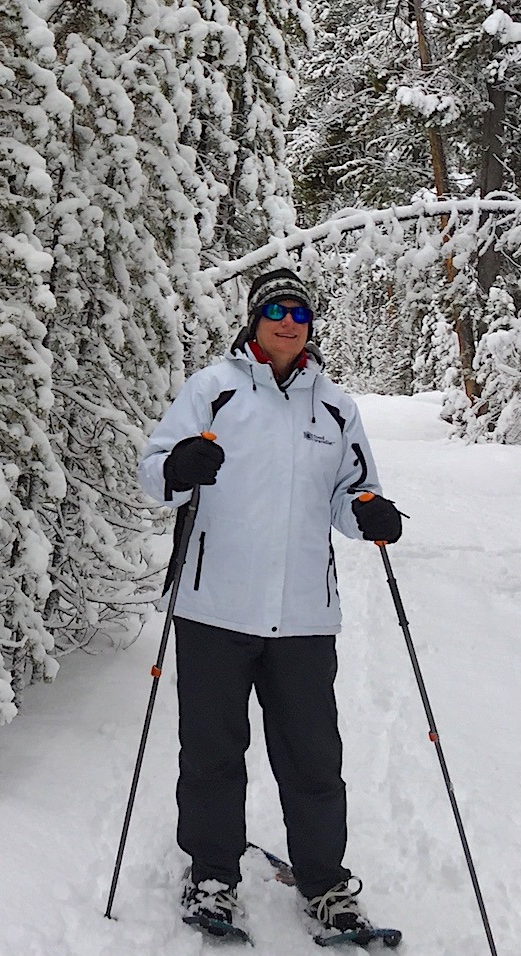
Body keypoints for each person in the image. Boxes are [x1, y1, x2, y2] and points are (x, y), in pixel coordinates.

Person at [135, 266, 401, 942]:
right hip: (213, 609)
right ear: (254, 320)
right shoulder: (213, 390)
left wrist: (370, 512)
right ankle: (213, 874)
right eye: (276, 309)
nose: (289, 320)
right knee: (212, 754)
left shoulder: (336, 408)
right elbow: (155, 468)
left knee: (313, 758)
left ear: (311, 328)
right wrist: (178, 467)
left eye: (301, 313)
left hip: (305, 617)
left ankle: (325, 883)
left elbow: (351, 493)